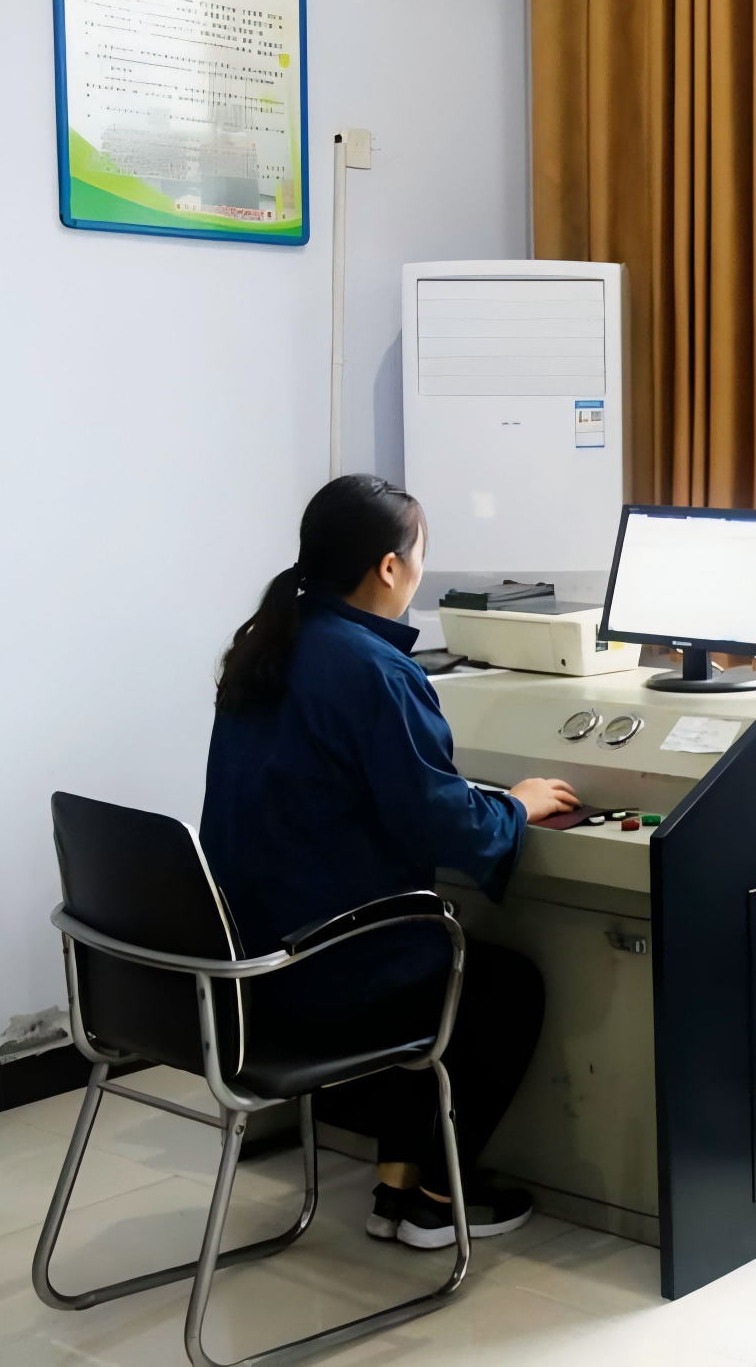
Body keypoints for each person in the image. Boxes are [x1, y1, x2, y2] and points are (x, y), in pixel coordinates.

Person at [201, 475, 578, 1249]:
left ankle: (395, 1189)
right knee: (500, 986)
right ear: (388, 567)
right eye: (420, 555)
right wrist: (517, 805)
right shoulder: (373, 670)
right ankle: (438, 1201)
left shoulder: (269, 646)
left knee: (428, 962)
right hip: (323, 974)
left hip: (248, 963)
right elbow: (446, 821)